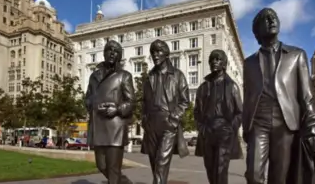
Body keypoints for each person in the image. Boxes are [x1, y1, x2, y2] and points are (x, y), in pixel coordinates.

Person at [242, 8, 315, 184]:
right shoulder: (249, 63)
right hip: (258, 122)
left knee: (280, 177)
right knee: (253, 174)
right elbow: (247, 97)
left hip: (286, 122)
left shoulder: (296, 55)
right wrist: (246, 129)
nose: (272, 20)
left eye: (274, 17)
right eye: (266, 18)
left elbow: (306, 96)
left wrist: (312, 125)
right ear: (257, 30)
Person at [86, 40, 135, 184]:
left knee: (113, 169)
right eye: (109, 50)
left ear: (119, 56)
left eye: (116, 51)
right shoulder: (94, 76)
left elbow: (131, 101)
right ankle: (125, 183)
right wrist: (92, 105)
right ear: (104, 53)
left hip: (115, 128)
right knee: (101, 165)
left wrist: (117, 109)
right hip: (98, 126)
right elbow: (88, 97)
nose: (112, 53)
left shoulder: (124, 76)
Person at [141, 39, 190, 184]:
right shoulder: (149, 76)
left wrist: (174, 119)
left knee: (161, 163)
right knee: (155, 164)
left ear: (166, 54)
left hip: (168, 123)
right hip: (151, 125)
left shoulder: (177, 75)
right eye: (153, 52)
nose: (155, 55)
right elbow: (144, 101)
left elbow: (184, 101)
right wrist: (144, 120)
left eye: (158, 51)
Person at [194, 49, 243, 184]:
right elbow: (197, 112)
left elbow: (240, 112)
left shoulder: (232, 86)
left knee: (221, 168)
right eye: (212, 59)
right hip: (208, 131)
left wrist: (231, 127)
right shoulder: (203, 87)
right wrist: (201, 128)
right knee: (210, 168)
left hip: (224, 131)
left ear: (224, 63)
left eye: (218, 59)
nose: (214, 62)